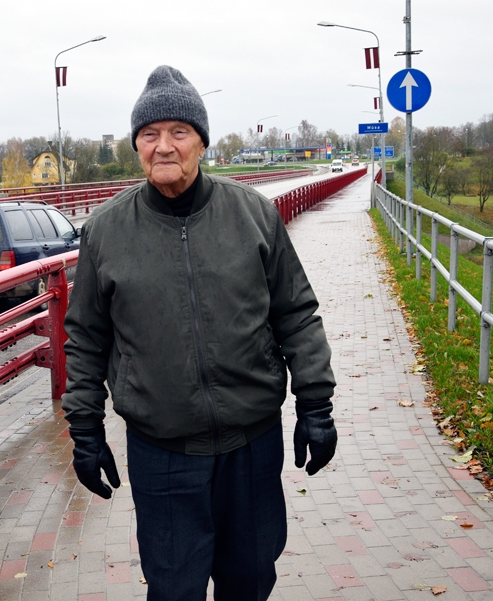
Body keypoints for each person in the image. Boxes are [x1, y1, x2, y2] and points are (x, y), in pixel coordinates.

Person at [61, 65, 337, 601]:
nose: (164, 146)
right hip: (161, 452)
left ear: (201, 143)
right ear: (137, 146)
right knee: (173, 589)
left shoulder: (253, 215)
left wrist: (316, 406)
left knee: (250, 580)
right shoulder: (105, 232)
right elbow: (86, 340)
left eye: (178, 132)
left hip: (251, 446)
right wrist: (85, 431)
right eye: (149, 134)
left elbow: (296, 314)